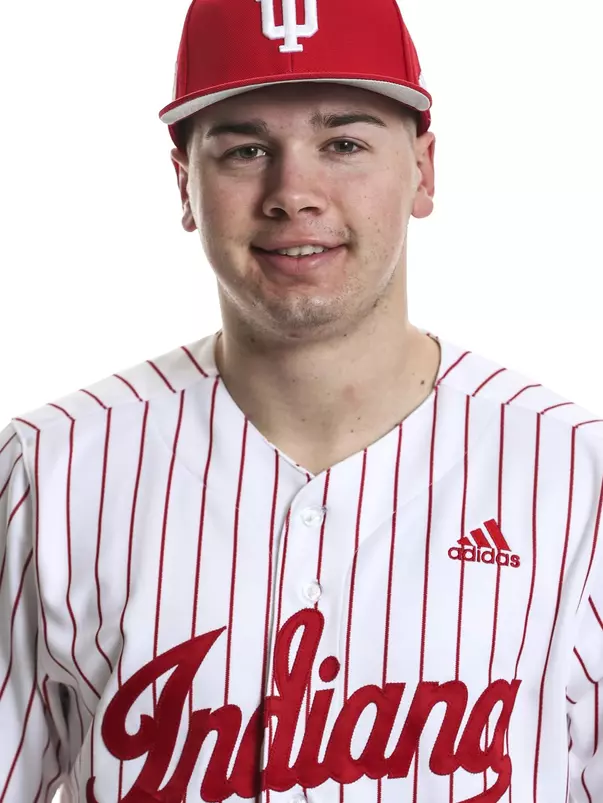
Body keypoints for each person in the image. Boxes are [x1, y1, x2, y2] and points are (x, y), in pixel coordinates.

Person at [1, 0, 602, 800]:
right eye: (247, 149)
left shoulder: (574, 475)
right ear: (184, 183)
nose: (294, 192)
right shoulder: (51, 470)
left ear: (423, 171)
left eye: (343, 142)